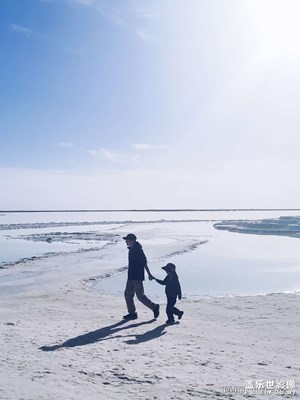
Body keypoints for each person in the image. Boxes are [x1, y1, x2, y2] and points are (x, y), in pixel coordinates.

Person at [122, 233, 160, 320]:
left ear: (132, 240)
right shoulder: (131, 249)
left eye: (127, 240)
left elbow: (144, 262)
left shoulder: (138, 250)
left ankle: (154, 307)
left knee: (140, 296)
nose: (126, 242)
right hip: (131, 276)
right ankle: (132, 313)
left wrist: (149, 274)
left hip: (137, 277)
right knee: (128, 294)